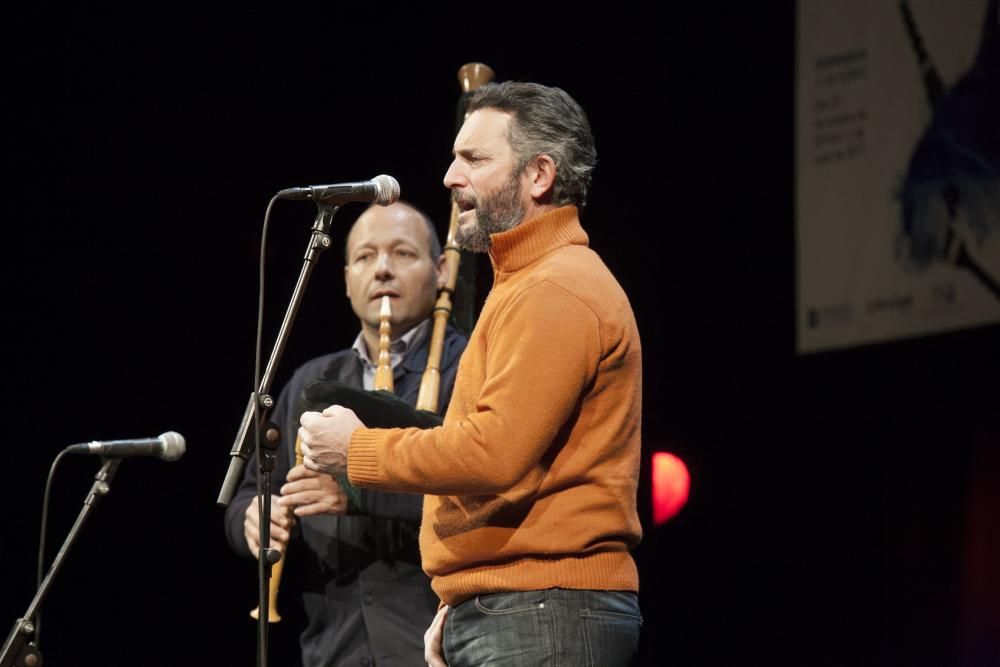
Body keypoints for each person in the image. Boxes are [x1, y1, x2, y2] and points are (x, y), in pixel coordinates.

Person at [298, 81, 644, 666]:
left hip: (542, 613)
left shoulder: (556, 288)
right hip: (515, 609)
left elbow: (492, 455)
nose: (449, 177)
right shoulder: (526, 285)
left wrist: (356, 450)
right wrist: (464, 599)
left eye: (475, 159)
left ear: (539, 175)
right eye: (455, 157)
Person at [223, 201, 469, 666]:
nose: (381, 270)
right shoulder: (311, 380)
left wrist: (355, 490)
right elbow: (252, 490)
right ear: (345, 279)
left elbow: (480, 486)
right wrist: (251, 520)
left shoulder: (468, 368)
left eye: (402, 254)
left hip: (438, 642)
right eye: (364, 257)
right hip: (334, 645)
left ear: (440, 271)